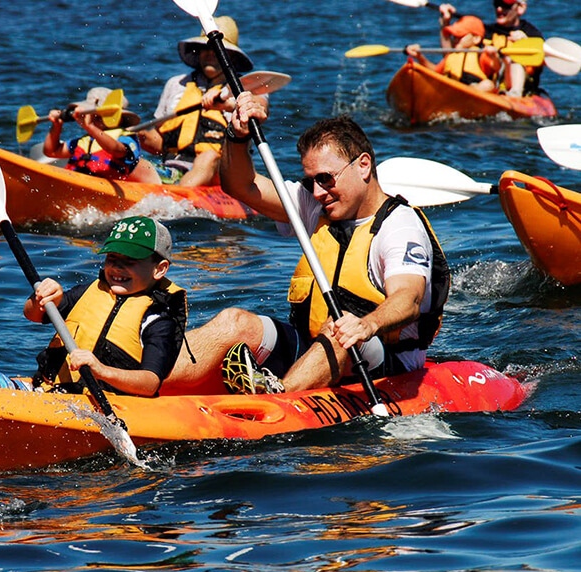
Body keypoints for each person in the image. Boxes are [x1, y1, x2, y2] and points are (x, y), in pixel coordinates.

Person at [163, 102, 450, 397]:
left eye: (326, 178)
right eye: (312, 181)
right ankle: (147, 381)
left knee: (339, 331)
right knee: (233, 322)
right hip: (311, 346)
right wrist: (238, 135)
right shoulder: (316, 203)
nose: (317, 191)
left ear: (363, 165)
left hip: (383, 362)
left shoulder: (400, 226)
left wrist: (366, 325)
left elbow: (408, 299)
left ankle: (277, 399)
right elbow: (241, 187)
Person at [0, 216, 188, 398]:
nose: (117, 268)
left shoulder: (158, 317)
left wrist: (101, 371)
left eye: (129, 262)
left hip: (100, 407)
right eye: (112, 259)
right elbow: (32, 315)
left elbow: (150, 383)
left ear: (160, 269)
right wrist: (43, 299)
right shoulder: (91, 292)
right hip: (46, 392)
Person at [137, 16, 267, 188]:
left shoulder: (249, 88)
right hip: (174, 164)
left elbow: (260, 110)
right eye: (206, 48)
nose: (211, 54)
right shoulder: (175, 84)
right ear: (198, 52)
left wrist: (226, 105)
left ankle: (177, 199)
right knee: (133, 141)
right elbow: (160, 139)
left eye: (218, 50)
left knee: (208, 156)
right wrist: (131, 136)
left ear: (232, 57)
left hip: (219, 170)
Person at [43, 87, 161, 184]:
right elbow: (51, 151)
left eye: (96, 115)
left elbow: (117, 150)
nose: (92, 118)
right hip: (77, 182)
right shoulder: (85, 141)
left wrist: (90, 127)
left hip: (106, 187)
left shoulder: (127, 137)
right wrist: (56, 126)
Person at [439, 0, 543, 97]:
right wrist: (445, 23)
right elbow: (452, 55)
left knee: (514, 60)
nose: (499, 9)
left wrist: (525, 42)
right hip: (493, 88)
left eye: (506, 6)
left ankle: (515, 93)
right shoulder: (487, 32)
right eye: (496, 4)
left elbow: (537, 65)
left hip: (521, 89)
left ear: (521, 8)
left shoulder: (532, 34)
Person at [406, 15, 501, 94]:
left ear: (476, 39)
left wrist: (494, 57)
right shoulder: (452, 56)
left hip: (473, 94)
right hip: (451, 93)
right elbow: (435, 71)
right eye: (454, 36)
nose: (455, 40)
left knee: (488, 85)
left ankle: (465, 94)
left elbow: (497, 68)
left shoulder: (481, 55)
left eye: (460, 36)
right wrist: (419, 56)